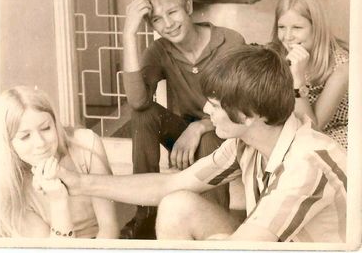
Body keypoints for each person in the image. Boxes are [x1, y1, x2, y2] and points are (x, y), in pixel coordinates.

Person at [55, 44, 347, 242]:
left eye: (215, 105)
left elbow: (249, 245)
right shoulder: (248, 140)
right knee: (177, 204)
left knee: (222, 244)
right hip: (275, 240)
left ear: (249, 115)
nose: (207, 112)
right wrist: (79, 184)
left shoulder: (306, 163)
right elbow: (171, 185)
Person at [122, 0, 245, 238]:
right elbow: (138, 101)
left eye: (172, 12)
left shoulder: (230, 42)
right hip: (185, 134)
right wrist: (129, 35)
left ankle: (211, 224)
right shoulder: (160, 50)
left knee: (212, 137)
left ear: (188, 7)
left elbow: (240, 110)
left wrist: (199, 127)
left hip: (224, 133)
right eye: (156, 19)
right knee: (142, 116)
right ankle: (145, 213)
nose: (167, 24)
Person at [0, 86, 120, 238]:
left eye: (45, 128)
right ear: (8, 144)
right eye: (25, 137)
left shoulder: (86, 144)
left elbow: (109, 227)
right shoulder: (10, 188)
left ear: (55, 123)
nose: (40, 143)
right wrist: (58, 201)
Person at [271, 0, 349, 148]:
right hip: (293, 131)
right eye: (281, 27)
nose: (287, 37)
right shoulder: (279, 53)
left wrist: (297, 80)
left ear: (317, 27)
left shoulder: (342, 67)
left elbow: (312, 129)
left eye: (297, 28)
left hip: (328, 136)